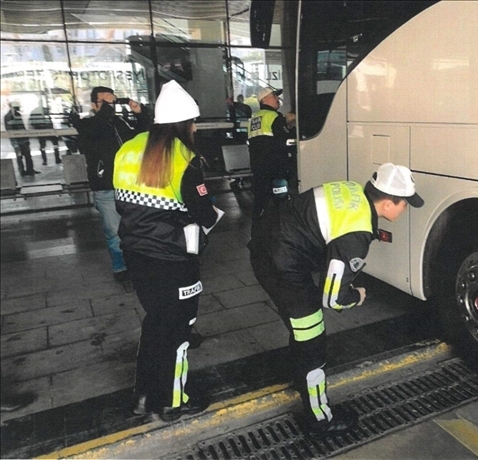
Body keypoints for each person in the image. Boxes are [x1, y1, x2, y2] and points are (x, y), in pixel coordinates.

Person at [248, 163, 424, 437]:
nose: (405, 210)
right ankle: (320, 421)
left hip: (269, 243)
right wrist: (356, 295)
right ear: (389, 203)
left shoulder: (353, 190)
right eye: (405, 204)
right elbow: (333, 298)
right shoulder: (357, 232)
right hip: (280, 264)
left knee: (304, 333)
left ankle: (303, 378)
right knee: (313, 343)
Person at [113, 80, 223, 422]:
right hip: (174, 259)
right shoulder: (184, 158)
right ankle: (174, 401)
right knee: (178, 329)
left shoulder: (128, 148)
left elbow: (121, 203)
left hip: (135, 253)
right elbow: (205, 213)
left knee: (156, 322)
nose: (194, 128)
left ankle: (144, 395)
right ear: (183, 123)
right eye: (193, 123)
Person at [70, 86, 151, 283]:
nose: (110, 106)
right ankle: (120, 267)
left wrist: (141, 115)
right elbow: (90, 139)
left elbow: (143, 136)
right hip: (105, 186)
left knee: (137, 228)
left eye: (111, 102)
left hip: (130, 185)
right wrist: (105, 112)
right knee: (114, 231)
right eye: (105, 102)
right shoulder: (87, 124)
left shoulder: (120, 123)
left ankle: (138, 264)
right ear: (94, 105)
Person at [247, 87, 293, 227]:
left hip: (258, 169)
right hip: (276, 169)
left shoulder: (254, 119)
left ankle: (258, 234)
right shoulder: (274, 117)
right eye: (274, 96)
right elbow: (286, 140)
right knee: (281, 202)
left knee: (260, 202)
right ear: (264, 99)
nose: (277, 99)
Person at [4, 102, 39, 176]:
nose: (19, 108)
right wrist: (15, 142)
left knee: (27, 155)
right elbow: (10, 130)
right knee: (20, 156)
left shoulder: (16, 115)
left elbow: (22, 127)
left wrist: (26, 136)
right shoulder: (9, 116)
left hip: (22, 139)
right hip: (17, 139)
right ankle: (23, 171)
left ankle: (29, 170)